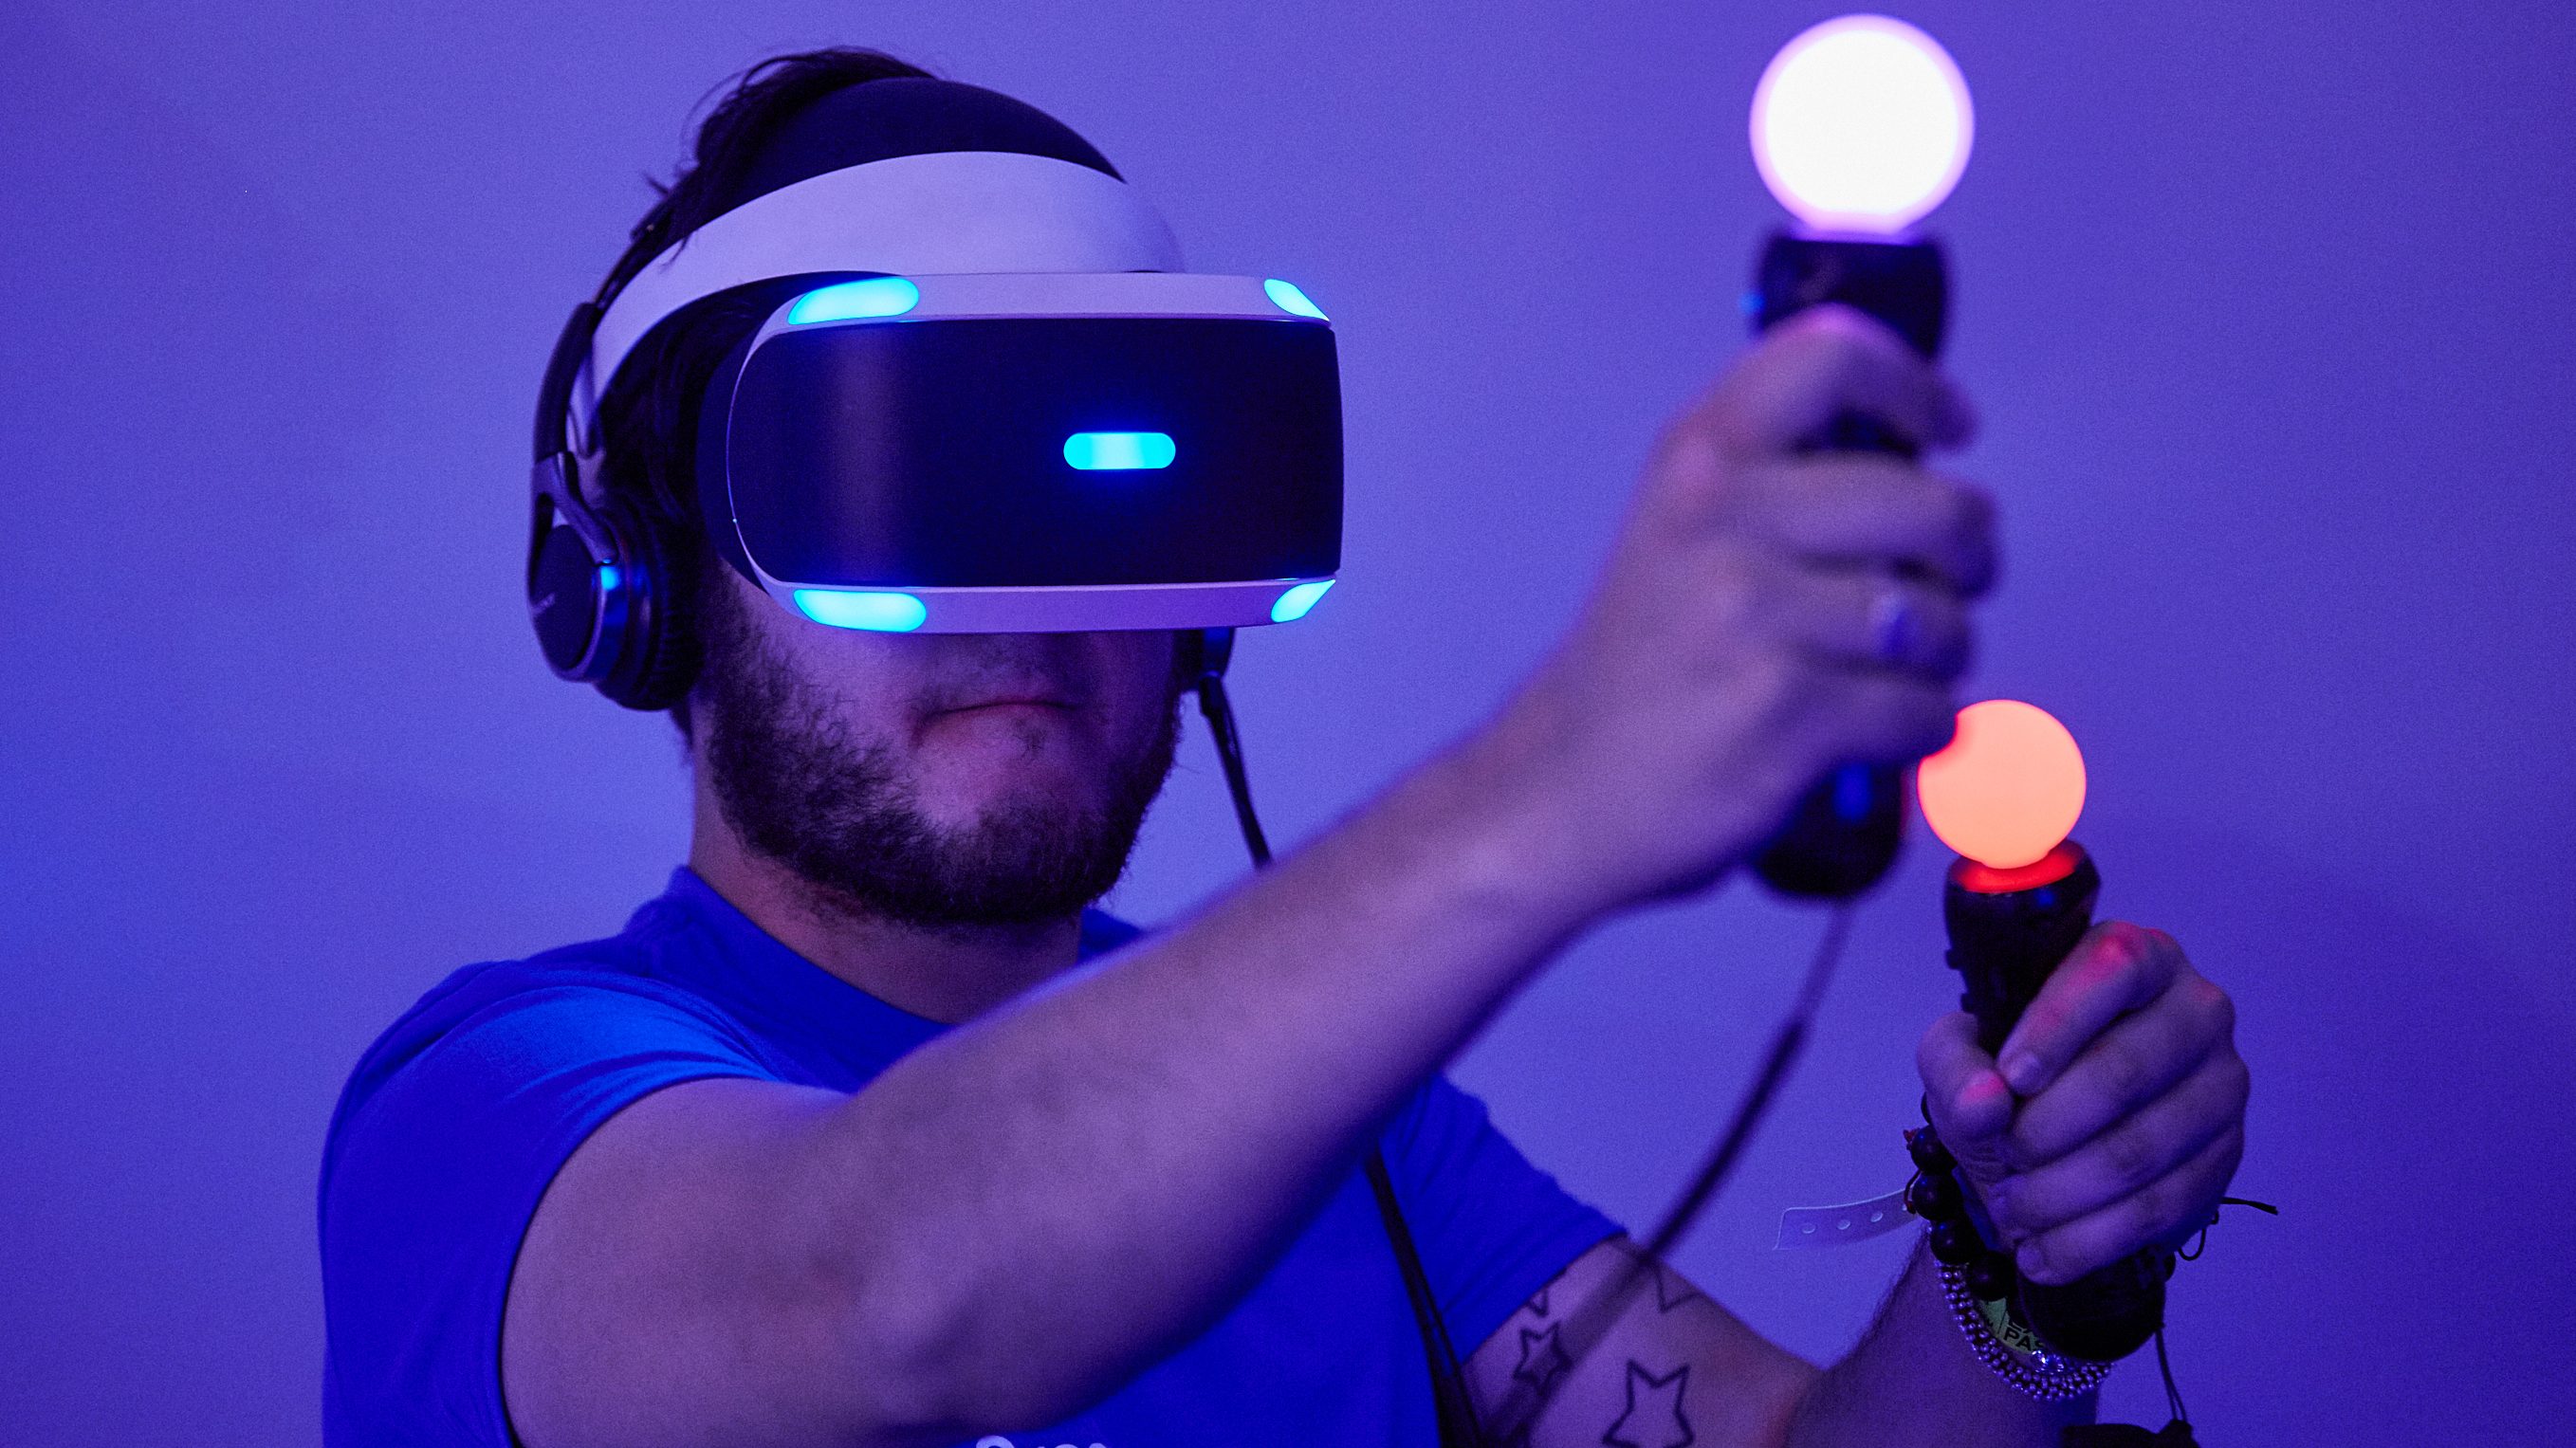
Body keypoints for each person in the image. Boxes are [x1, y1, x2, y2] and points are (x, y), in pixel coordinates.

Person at [319, 48, 2251, 1448]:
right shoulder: (496, 1104)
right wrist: (1561, 773)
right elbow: (871, 1292)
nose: (1038, 608)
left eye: (1110, 497)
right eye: (913, 491)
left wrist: (2023, 1277)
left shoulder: (1359, 1132)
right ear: (640, 578)